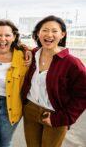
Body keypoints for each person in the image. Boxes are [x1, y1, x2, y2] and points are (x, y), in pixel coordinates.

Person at [21, 15, 86, 147]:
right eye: (44, 30)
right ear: (38, 33)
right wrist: (24, 48)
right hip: (30, 110)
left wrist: (64, 118)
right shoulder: (32, 55)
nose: (49, 34)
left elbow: (82, 94)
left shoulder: (71, 63)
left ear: (62, 34)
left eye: (54, 31)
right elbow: (10, 42)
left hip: (55, 115)